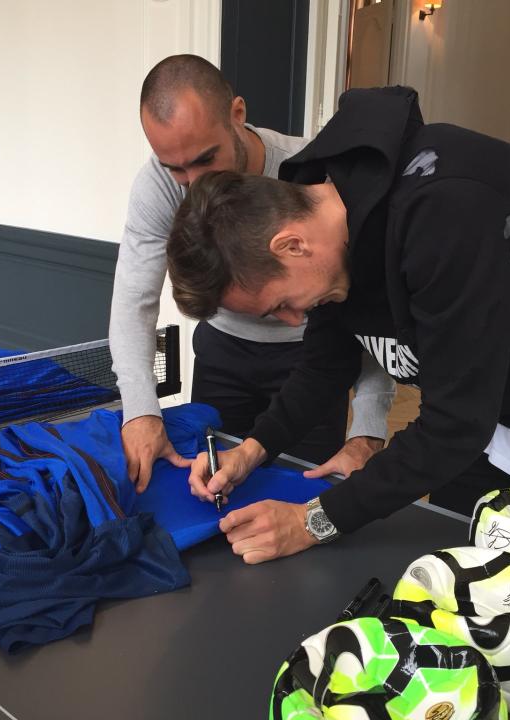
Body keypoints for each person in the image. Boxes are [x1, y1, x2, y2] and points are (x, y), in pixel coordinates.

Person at [166, 86, 510, 565]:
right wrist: (251, 451)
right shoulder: (318, 226)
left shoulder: (449, 209)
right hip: (494, 411)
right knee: (453, 574)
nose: (293, 318)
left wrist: (313, 521)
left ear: (292, 245)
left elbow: (453, 425)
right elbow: (325, 366)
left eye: (280, 303)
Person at [108, 55, 395, 494]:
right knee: (214, 488)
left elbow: (370, 301)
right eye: (175, 168)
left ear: (237, 116)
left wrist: (368, 424)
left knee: (304, 499)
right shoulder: (162, 186)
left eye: (206, 159)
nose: (192, 183)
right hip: (223, 356)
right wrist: (142, 410)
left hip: (314, 360)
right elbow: (134, 298)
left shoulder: (309, 172)